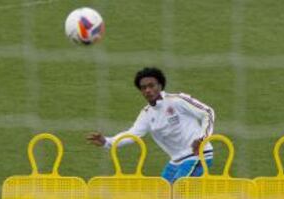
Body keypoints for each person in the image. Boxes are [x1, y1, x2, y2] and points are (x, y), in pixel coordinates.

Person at [87, 67, 215, 183]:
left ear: (160, 86)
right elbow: (132, 135)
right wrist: (107, 142)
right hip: (176, 161)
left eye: (151, 86)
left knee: (177, 192)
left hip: (198, 155)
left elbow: (208, 112)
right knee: (161, 195)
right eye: (143, 88)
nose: (148, 90)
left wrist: (202, 139)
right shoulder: (146, 114)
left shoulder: (177, 100)